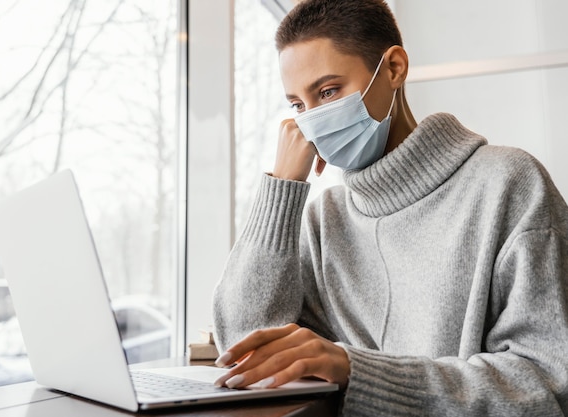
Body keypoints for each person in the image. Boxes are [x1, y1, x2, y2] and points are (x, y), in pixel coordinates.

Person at [212, 0, 568, 415]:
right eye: (298, 106)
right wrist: (283, 189)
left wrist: (357, 371)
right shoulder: (324, 220)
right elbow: (243, 349)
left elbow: (547, 385)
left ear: (394, 68)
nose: (312, 121)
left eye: (328, 91)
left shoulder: (509, 184)